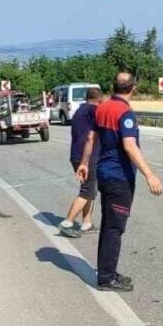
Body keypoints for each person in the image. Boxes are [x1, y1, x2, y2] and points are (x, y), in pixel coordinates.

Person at [77, 72, 163, 292]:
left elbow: (90, 138)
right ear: (132, 88)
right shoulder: (125, 113)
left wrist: (85, 162)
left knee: (108, 225)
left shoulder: (102, 108)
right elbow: (129, 145)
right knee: (114, 228)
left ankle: (109, 271)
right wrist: (149, 174)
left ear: (113, 86)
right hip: (119, 177)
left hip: (104, 173)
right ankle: (106, 278)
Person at [59, 86, 103, 238]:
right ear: (99, 99)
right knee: (87, 190)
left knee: (90, 189)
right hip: (87, 156)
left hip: (77, 155)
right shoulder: (93, 110)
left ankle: (87, 223)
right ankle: (67, 222)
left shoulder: (81, 109)